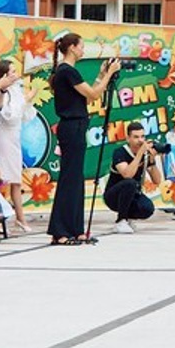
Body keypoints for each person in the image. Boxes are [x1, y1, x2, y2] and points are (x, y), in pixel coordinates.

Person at [49, 34, 120, 245]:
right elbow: (95, 95)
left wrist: (101, 76)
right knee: (69, 177)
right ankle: (60, 230)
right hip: (71, 126)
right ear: (71, 48)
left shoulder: (69, 72)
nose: (83, 51)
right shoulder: (66, 71)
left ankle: (76, 228)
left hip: (78, 125)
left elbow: (89, 96)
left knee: (76, 177)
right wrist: (110, 74)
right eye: (81, 47)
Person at [0, 57, 30, 232]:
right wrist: (25, 101)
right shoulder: (1, 92)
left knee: (16, 179)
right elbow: (8, 116)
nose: (16, 75)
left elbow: (24, 116)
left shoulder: (16, 91)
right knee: (4, 178)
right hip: (4, 136)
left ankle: (19, 217)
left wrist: (26, 100)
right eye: (12, 72)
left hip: (14, 136)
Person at [103, 121, 161, 234]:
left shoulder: (145, 155)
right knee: (130, 183)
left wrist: (152, 161)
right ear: (128, 138)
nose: (140, 140)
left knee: (147, 208)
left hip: (132, 195)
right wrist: (139, 154)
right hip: (113, 196)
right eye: (136, 137)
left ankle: (128, 218)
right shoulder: (120, 152)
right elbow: (127, 174)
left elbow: (157, 180)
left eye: (142, 136)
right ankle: (121, 221)